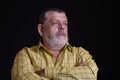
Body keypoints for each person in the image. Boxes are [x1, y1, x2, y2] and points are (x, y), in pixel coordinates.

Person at [11, 8, 98, 80]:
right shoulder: (25, 54)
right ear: (41, 29)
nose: (62, 27)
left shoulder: (80, 53)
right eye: (55, 23)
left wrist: (45, 72)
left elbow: (92, 75)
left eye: (65, 23)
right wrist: (73, 75)